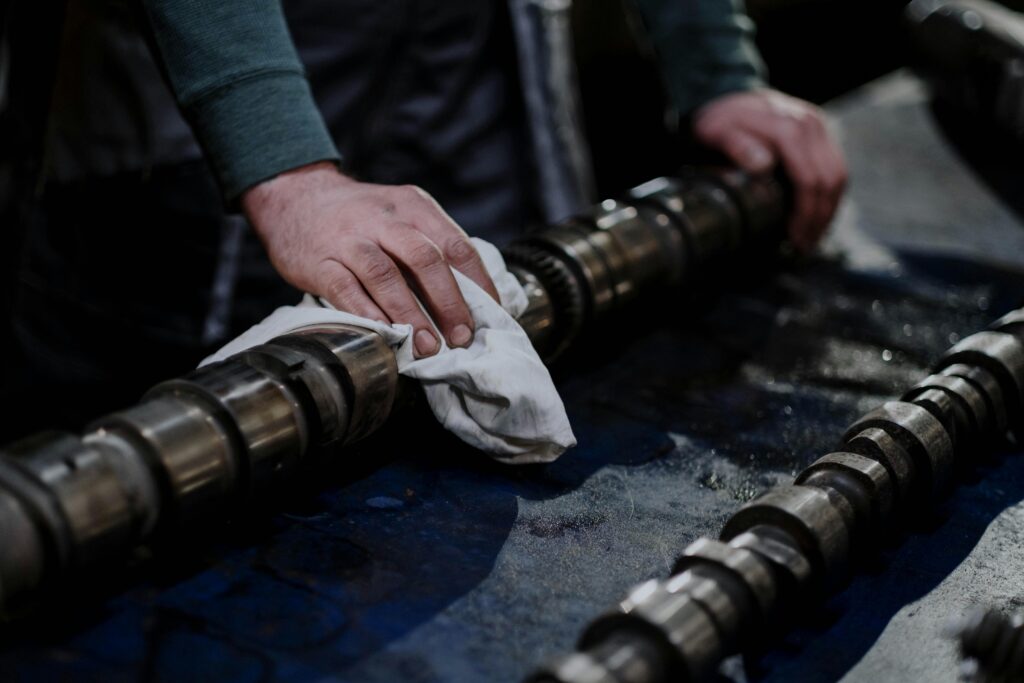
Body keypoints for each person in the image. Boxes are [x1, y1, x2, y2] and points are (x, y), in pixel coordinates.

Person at [1, 0, 845, 436]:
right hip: (219, 62)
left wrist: (717, 69)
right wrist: (282, 167)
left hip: (462, 56)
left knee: (474, 336)